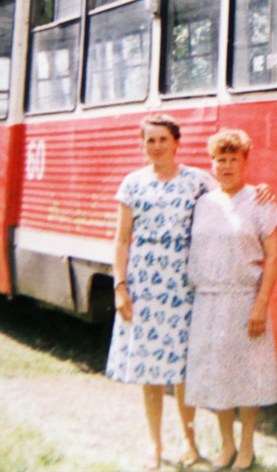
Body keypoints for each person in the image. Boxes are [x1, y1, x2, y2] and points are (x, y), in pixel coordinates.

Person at [106, 113, 208, 470]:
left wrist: (262, 192)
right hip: (144, 285)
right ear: (142, 145)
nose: (157, 146)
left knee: (183, 370)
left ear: (177, 142)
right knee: (149, 369)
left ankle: (191, 444)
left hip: (184, 285)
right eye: (150, 140)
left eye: (163, 139)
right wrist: (120, 287)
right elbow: (121, 241)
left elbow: (231, 198)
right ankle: (155, 445)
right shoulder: (132, 184)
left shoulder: (198, 181)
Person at [183, 129, 277, 471]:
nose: (226, 166)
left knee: (247, 376)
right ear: (211, 164)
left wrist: (261, 304)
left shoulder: (260, 201)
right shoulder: (203, 203)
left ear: (245, 162)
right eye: (220, 159)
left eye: (233, 159)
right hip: (208, 302)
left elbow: (274, 257)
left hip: (244, 301)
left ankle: (247, 447)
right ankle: (226, 445)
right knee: (217, 377)